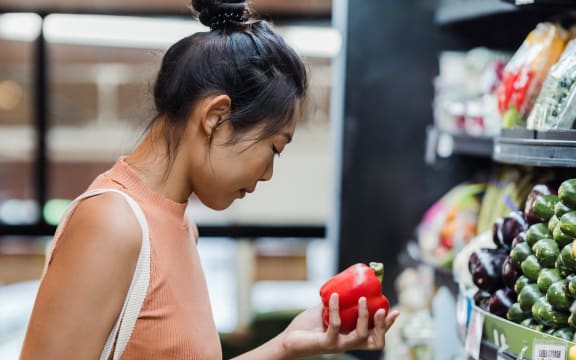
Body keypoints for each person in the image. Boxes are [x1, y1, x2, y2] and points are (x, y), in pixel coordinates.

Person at [19, 0, 400, 359]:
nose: (267, 173)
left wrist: (285, 345)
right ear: (215, 116)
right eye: (274, 147)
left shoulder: (180, 224)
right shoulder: (112, 222)